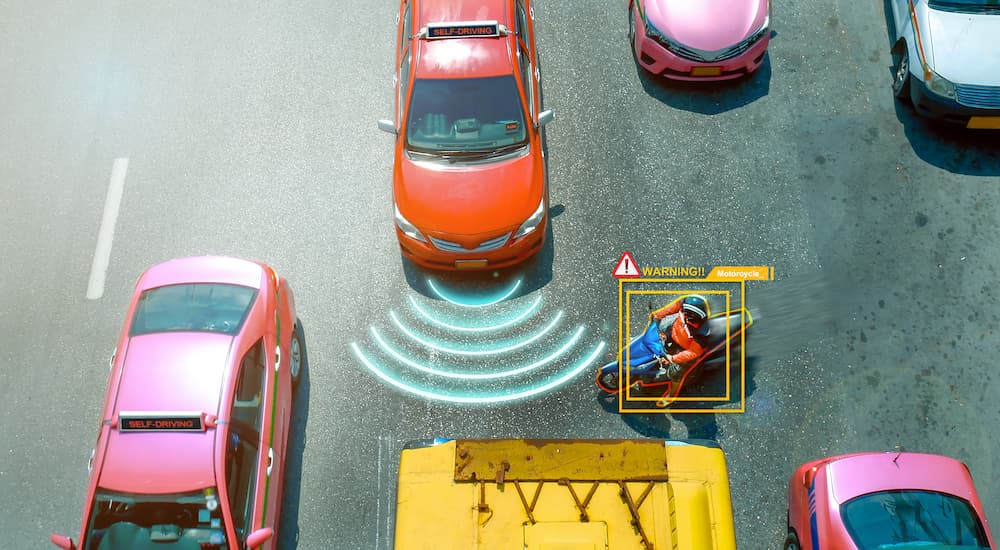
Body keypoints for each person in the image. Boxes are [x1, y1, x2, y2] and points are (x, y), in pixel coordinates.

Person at [648, 295, 712, 380]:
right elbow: (670, 309)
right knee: (662, 329)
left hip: (685, 348)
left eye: (687, 315)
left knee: (674, 374)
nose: (683, 315)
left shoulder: (703, 333)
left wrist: (673, 359)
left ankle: (672, 392)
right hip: (674, 332)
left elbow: (693, 352)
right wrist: (657, 316)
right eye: (684, 312)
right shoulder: (684, 305)